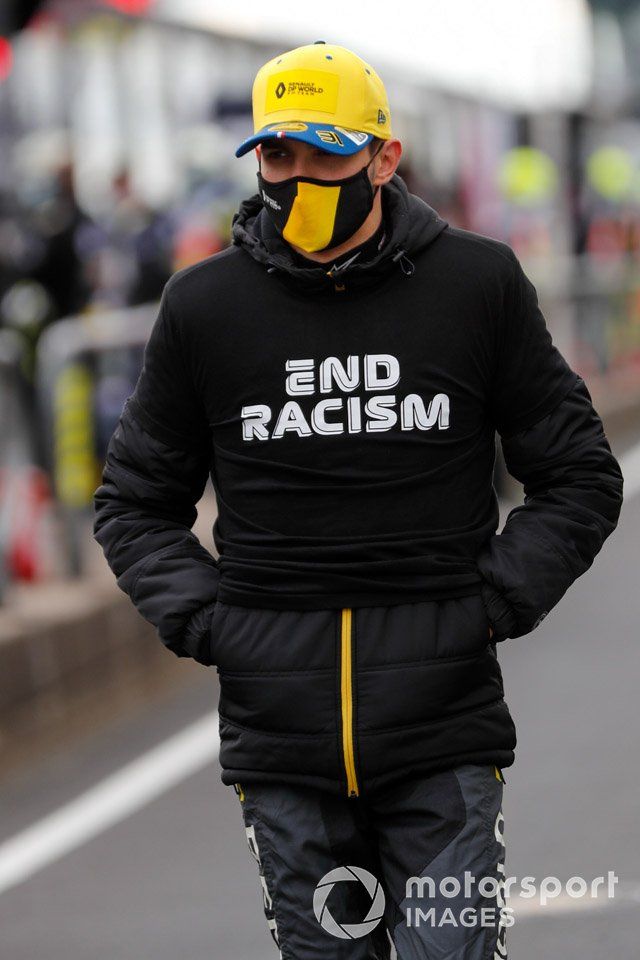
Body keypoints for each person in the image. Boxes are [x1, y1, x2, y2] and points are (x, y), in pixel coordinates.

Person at [93, 41, 624, 959]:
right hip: (279, 736)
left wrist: (491, 601)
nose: (298, 178)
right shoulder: (204, 306)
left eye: (325, 153)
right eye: (277, 155)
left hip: (443, 726)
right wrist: (215, 624)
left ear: (384, 156)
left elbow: (579, 472)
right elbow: (134, 504)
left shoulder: (477, 284)